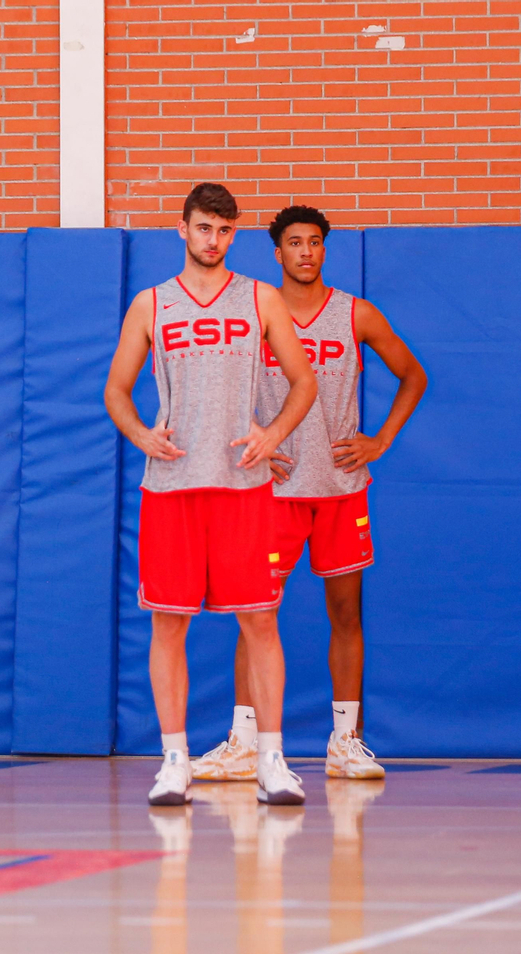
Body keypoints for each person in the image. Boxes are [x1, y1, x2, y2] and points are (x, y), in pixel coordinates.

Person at [192, 205, 427, 783]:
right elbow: (216, 387)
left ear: (324, 250)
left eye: (314, 242)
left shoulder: (354, 314)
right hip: (272, 490)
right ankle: (244, 743)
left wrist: (381, 440)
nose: (305, 252)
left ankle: (346, 741)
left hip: (341, 488)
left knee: (346, 613)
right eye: (294, 243)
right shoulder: (255, 313)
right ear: (277, 252)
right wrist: (254, 440)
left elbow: (413, 374)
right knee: (255, 614)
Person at [104, 182, 318, 807]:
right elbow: (116, 389)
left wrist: (272, 431)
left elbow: (303, 381)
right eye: (204, 228)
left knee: (260, 620)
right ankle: (174, 761)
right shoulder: (150, 304)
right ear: (183, 229)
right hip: (170, 485)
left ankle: (271, 760)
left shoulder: (261, 298)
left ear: (234, 234)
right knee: (168, 625)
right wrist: (142, 432)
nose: (214, 240)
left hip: (242, 484)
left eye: (225, 231)